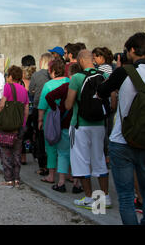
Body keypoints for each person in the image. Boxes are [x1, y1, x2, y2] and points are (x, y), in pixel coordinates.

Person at [97, 33, 145, 225]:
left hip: (122, 141)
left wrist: (119, 72)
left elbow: (102, 92)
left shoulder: (124, 72)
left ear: (131, 50)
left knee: (126, 196)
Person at [65, 49, 111, 210]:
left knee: (81, 161)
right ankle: (105, 197)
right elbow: (112, 102)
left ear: (79, 61)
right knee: (99, 159)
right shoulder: (103, 77)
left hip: (80, 125)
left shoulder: (77, 78)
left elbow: (68, 104)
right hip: (99, 125)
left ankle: (90, 197)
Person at [44, 62, 84, 194]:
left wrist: (57, 108)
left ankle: (61, 182)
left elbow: (49, 96)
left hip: (65, 124)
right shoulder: (85, 85)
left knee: (63, 153)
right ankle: (77, 183)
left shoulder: (67, 86)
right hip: (81, 124)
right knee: (78, 155)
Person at [0, 65, 29, 188]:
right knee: (17, 152)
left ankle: (9, 179)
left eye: (8, 75)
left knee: (5, 152)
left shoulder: (8, 87)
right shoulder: (24, 90)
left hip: (7, 124)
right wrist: (23, 122)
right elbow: (26, 108)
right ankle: (17, 179)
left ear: (11, 77)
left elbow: (2, 104)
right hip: (19, 126)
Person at [38, 58, 70, 186]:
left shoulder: (48, 85)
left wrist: (40, 120)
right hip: (67, 118)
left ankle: (51, 175)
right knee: (66, 149)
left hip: (50, 119)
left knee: (51, 148)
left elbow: (42, 105)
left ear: (51, 71)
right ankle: (69, 174)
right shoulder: (69, 81)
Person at [29, 53, 53, 176]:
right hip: (52, 108)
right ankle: (52, 165)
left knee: (39, 138)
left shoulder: (36, 75)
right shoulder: (53, 75)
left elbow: (31, 90)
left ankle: (43, 166)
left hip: (38, 107)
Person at [19, 55, 36, 165]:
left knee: (22, 133)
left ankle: (23, 157)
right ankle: (35, 153)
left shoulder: (21, 77)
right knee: (32, 132)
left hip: (23, 109)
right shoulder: (37, 75)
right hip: (34, 108)